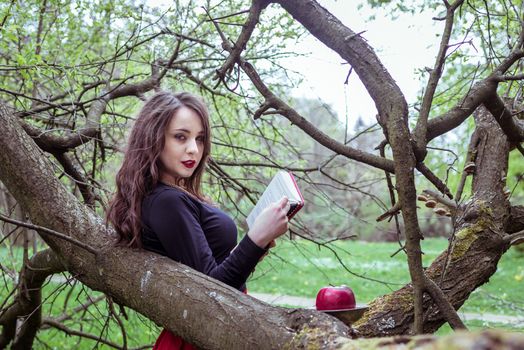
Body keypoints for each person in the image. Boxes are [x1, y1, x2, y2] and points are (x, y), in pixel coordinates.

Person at [106, 91, 290, 349]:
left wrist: (251, 250)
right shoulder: (167, 201)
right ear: (153, 139)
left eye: (200, 139)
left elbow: (206, 269)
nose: (194, 149)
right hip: (200, 336)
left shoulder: (168, 196)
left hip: (213, 330)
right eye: (180, 137)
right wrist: (255, 239)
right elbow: (212, 291)